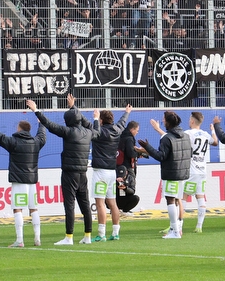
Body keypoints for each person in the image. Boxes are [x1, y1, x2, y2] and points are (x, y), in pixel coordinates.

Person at [29, 95, 98, 245]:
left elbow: (49, 124)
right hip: (83, 174)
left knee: (69, 205)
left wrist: (36, 110)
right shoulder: (88, 133)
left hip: (69, 173)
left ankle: (69, 237)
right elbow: (95, 129)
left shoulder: (68, 132)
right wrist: (78, 110)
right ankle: (87, 236)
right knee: (85, 205)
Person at [0, 112, 46, 248]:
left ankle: (20, 240)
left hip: (19, 181)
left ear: (19, 129)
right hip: (32, 181)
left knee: (17, 209)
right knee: (34, 209)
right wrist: (41, 123)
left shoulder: (13, 142)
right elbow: (42, 135)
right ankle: (37, 239)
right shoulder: (36, 142)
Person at [140, 111, 192, 239]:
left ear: (168, 122)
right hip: (183, 173)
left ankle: (175, 231)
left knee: (170, 200)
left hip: (171, 173)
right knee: (177, 200)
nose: (163, 121)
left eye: (164, 120)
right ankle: (177, 229)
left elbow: (161, 156)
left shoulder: (167, 138)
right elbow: (189, 153)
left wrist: (148, 148)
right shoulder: (185, 136)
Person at [89, 104, 131, 242]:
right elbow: (122, 123)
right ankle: (115, 233)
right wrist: (126, 112)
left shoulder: (100, 132)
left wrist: (95, 119)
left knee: (100, 203)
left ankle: (101, 234)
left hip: (100, 172)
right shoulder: (117, 130)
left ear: (101, 121)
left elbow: (94, 132)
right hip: (112, 172)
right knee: (113, 203)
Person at [181, 112, 216, 233]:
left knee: (183, 196)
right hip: (202, 170)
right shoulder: (206, 134)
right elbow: (215, 142)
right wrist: (212, 130)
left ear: (192, 121)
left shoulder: (188, 133)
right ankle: (199, 226)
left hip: (191, 169)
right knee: (200, 196)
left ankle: (178, 225)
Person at [115, 122, 141, 214]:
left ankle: (115, 208)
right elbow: (131, 153)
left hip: (118, 167)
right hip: (127, 167)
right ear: (132, 129)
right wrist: (138, 153)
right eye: (137, 131)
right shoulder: (129, 138)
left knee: (118, 188)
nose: (137, 133)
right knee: (129, 186)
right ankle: (124, 209)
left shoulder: (120, 136)